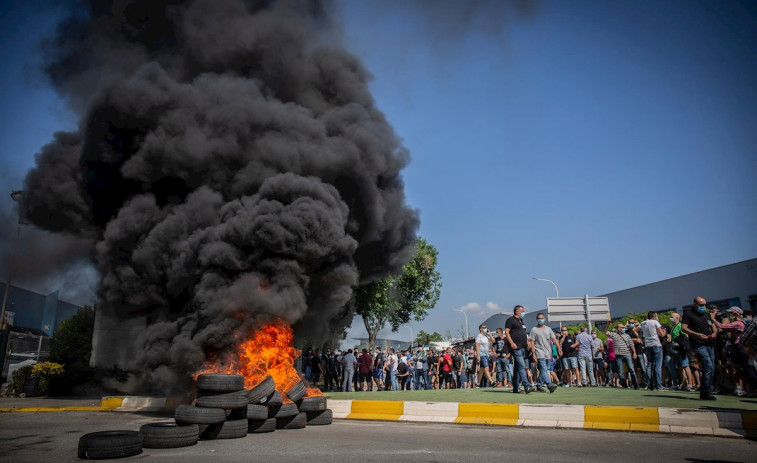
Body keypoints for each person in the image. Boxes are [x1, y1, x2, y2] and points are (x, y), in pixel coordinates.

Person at [682, 296, 718, 400]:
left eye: (705, 305)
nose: (704, 307)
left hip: (710, 343)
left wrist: (714, 333)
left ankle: (707, 390)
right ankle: (705, 392)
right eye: (701, 305)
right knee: (708, 366)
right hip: (698, 344)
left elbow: (713, 326)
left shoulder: (706, 314)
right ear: (695, 304)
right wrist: (697, 335)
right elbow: (684, 328)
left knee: (711, 368)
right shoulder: (688, 314)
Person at [505, 305, 535, 393]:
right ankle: (527, 386)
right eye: (522, 311)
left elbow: (524, 334)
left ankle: (515, 387)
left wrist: (528, 342)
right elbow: (507, 332)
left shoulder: (521, 321)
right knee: (522, 366)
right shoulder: (510, 320)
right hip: (516, 347)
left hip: (523, 347)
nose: (523, 313)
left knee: (517, 369)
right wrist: (512, 343)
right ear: (516, 311)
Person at [529, 312, 561, 393]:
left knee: (544, 369)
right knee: (543, 369)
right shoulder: (534, 329)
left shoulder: (548, 329)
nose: (540, 320)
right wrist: (533, 353)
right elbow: (532, 342)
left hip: (548, 353)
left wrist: (559, 348)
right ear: (537, 319)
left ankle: (539, 385)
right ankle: (550, 385)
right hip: (539, 352)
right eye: (539, 318)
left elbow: (554, 339)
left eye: (542, 318)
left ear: (544, 319)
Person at [640, 311, 667, 390]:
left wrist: (641, 337)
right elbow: (662, 334)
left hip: (648, 345)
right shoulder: (655, 322)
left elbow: (635, 329)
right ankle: (659, 385)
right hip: (656, 344)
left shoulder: (643, 323)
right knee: (658, 366)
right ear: (654, 316)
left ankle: (649, 384)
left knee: (649, 365)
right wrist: (664, 331)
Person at [607, 323, 638, 389]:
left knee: (631, 369)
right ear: (618, 328)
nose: (624, 328)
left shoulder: (627, 335)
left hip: (627, 354)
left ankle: (635, 384)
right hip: (618, 355)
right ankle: (624, 385)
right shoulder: (614, 335)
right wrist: (607, 325)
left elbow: (631, 344)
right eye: (622, 327)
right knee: (620, 371)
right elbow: (606, 332)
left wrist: (634, 352)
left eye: (624, 327)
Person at [669, 312, 694, 391]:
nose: (671, 318)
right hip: (676, 350)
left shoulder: (680, 325)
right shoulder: (673, 327)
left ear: (677, 318)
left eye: (672, 317)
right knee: (680, 367)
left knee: (686, 365)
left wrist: (684, 347)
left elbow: (685, 336)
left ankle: (690, 384)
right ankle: (683, 384)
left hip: (681, 349)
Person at [474, 323, 496, 388]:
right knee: (486, 368)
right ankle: (491, 382)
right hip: (482, 354)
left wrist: (490, 335)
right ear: (480, 329)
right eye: (484, 327)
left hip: (487, 354)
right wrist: (478, 355)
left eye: (485, 327)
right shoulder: (478, 336)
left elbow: (493, 341)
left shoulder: (486, 336)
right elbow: (477, 346)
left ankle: (478, 383)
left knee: (482, 369)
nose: (485, 328)